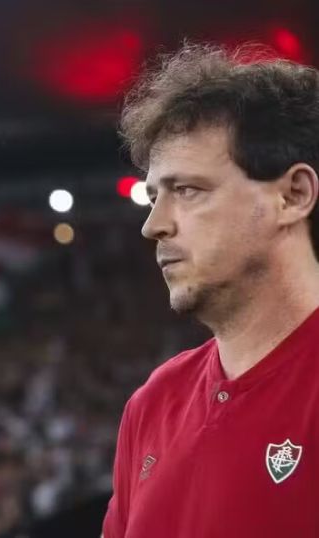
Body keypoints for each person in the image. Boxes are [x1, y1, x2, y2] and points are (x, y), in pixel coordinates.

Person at [102, 43, 319, 537]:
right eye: (153, 197)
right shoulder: (152, 403)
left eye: (187, 191)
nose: (153, 225)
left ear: (293, 196)